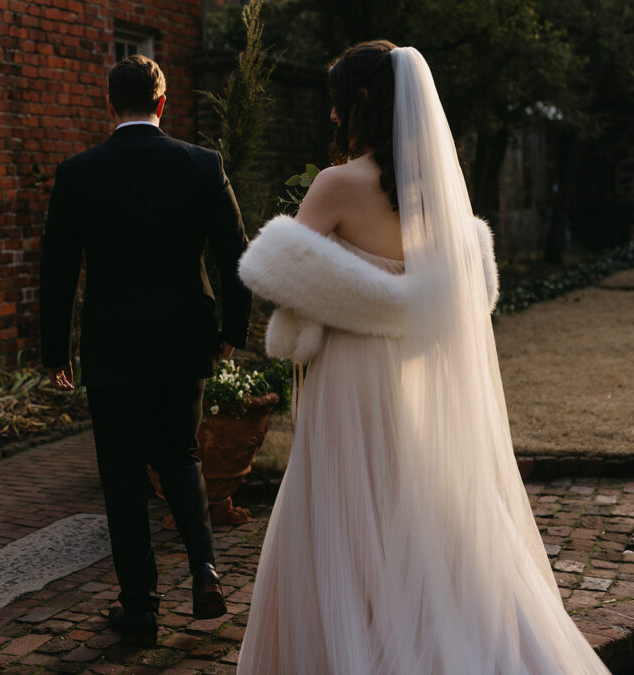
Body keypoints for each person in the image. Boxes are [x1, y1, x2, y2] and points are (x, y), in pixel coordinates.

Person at [236, 41, 609, 673]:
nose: (330, 118)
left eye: (334, 105)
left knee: (345, 515)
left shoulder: (335, 185)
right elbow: (467, 291)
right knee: (411, 507)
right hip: (408, 377)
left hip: (350, 378)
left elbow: (277, 270)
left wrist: (327, 299)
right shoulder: (439, 193)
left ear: (357, 104)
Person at [39, 54, 253, 643]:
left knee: (124, 477)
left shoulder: (78, 173)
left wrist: (55, 352)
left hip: (112, 347)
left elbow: (56, 271)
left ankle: (139, 609)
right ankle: (204, 571)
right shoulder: (202, 165)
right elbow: (237, 258)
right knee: (181, 455)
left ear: (110, 105)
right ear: (162, 104)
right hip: (186, 340)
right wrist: (233, 332)